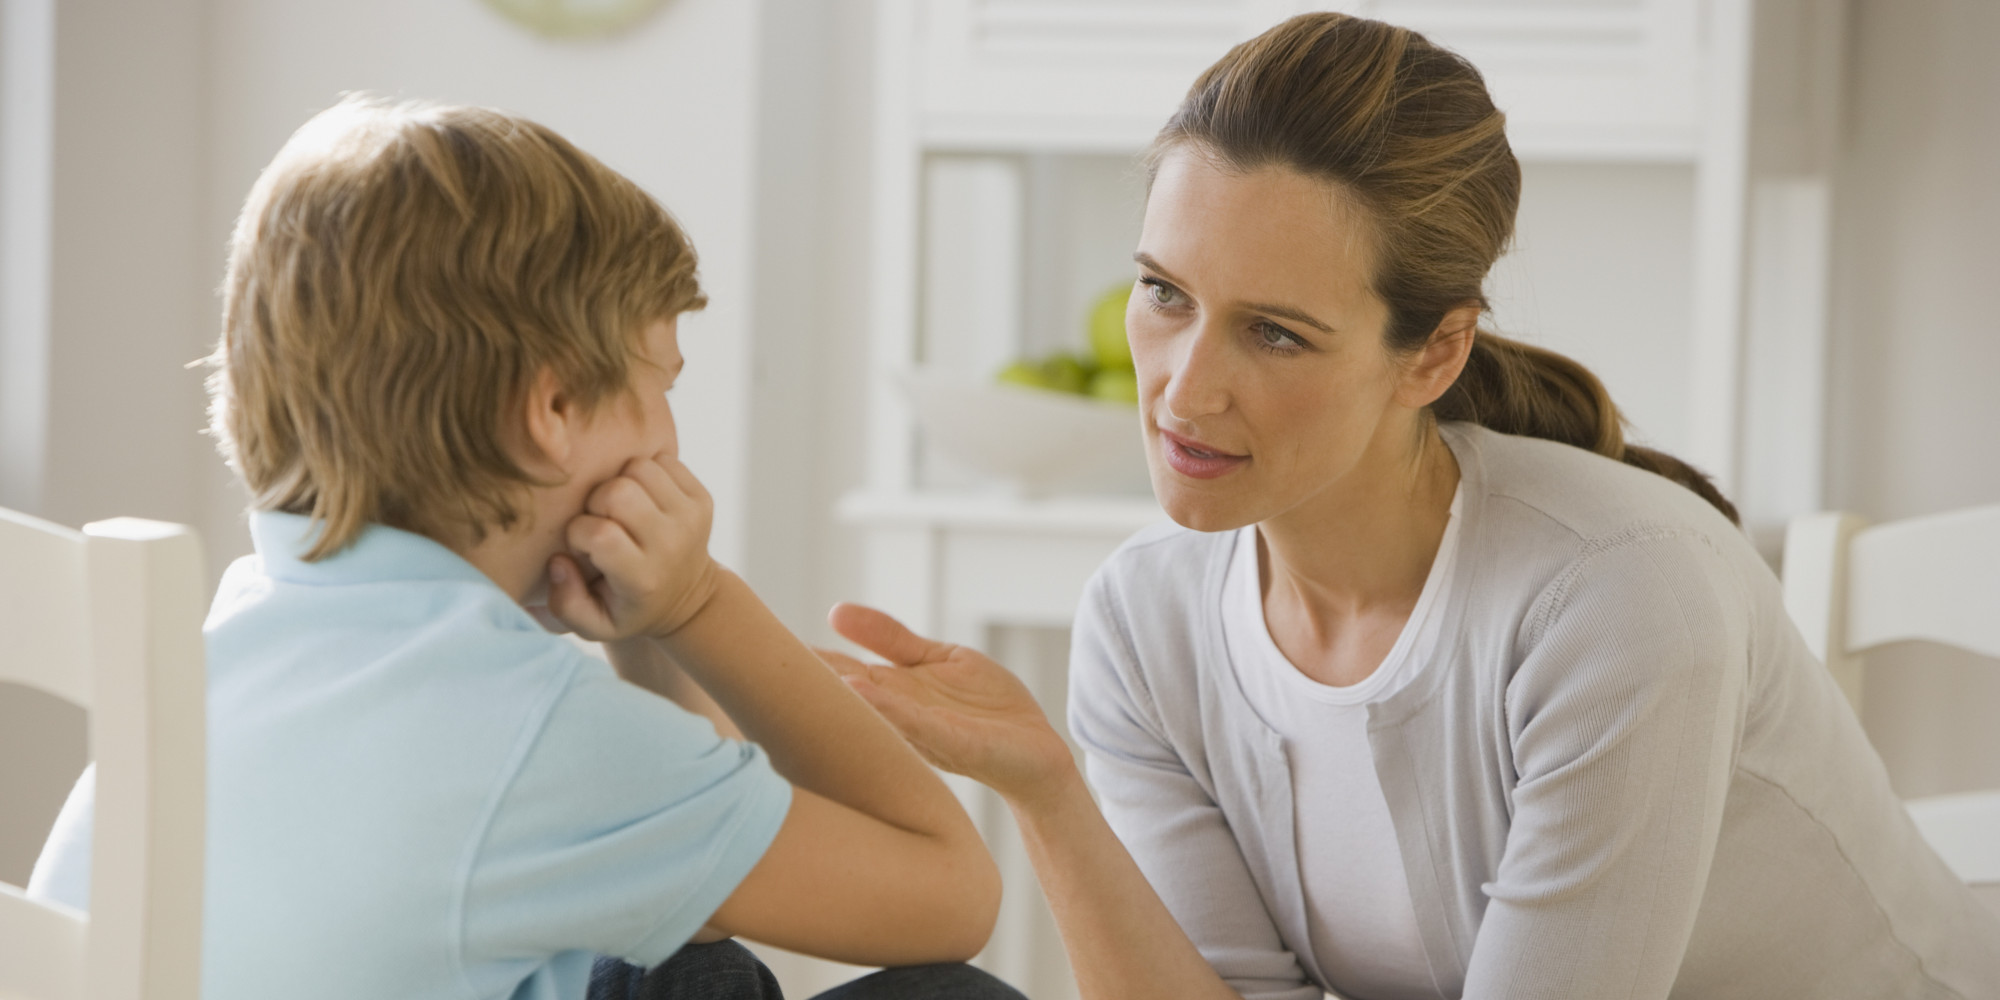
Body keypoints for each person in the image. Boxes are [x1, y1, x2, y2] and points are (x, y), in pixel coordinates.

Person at [821, 12, 2000, 1000]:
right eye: (1162, 293)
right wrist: (1047, 790)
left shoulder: (1616, 595)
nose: (1183, 387)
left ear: (1431, 354)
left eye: (1274, 331)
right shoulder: (1144, 620)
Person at [27, 95, 1024, 1000]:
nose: (670, 440)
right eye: (660, 384)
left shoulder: (244, 634)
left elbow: (696, 892)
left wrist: (634, 642)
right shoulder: (527, 730)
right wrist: (693, 607)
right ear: (551, 408)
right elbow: (950, 894)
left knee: (688, 959)